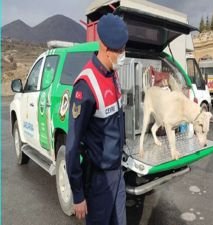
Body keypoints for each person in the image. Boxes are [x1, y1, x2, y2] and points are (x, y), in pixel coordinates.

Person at [66, 13, 128, 225]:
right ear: (105, 47)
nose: (123, 54)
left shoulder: (113, 75)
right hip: (98, 181)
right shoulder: (86, 86)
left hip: (117, 174)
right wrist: (78, 194)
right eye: (119, 50)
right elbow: (72, 146)